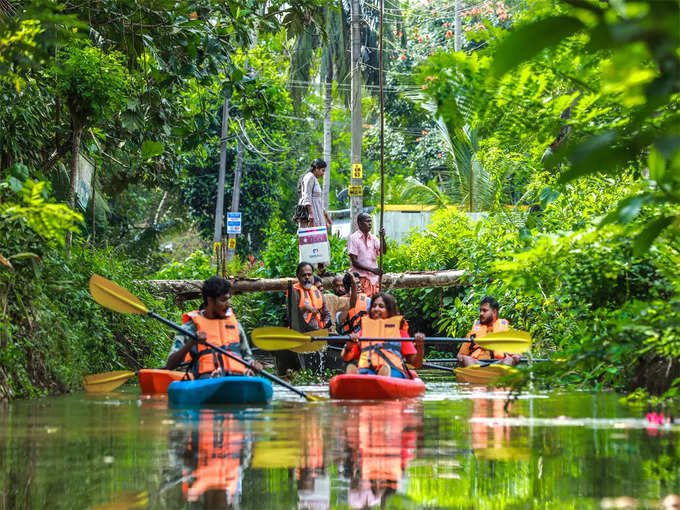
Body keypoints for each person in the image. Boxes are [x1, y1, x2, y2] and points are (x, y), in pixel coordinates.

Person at [166, 276, 263, 378]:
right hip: (206, 381)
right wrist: (191, 342)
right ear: (210, 300)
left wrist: (253, 365)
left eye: (228, 299)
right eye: (223, 300)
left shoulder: (236, 326)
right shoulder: (190, 328)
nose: (227, 305)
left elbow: (248, 358)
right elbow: (170, 365)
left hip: (237, 379)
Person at [341, 293, 424, 378]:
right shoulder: (363, 332)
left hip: (393, 370)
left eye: (381, 306)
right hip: (367, 370)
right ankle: (357, 378)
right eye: (374, 306)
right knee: (362, 372)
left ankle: (381, 377)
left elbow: (416, 364)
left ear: (389, 310)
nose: (376, 309)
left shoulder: (400, 333)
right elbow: (346, 358)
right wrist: (349, 346)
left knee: (388, 373)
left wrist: (420, 346)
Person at [457, 296, 521, 367]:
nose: (481, 313)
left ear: (494, 312)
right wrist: (461, 357)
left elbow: (517, 353)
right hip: (477, 364)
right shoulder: (472, 333)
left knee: (509, 360)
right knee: (467, 359)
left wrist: (516, 355)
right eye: (480, 310)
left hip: (499, 364)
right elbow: (461, 355)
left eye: (485, 310)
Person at [347, 212, 387, 297]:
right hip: (360, 279)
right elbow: (354, 262)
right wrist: (372, 269)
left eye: (370, 221)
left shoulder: (373, 238)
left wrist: (382, 237)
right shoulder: (353, 238)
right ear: (360, 223)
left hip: (373, 280)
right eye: (367, 221)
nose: (370, 224)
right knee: (362, 305)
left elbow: (383, 251)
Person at [289, 261, 331, 332]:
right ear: (298, 276)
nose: (307, 277)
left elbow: (326, 313)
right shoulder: (294, 292)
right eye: (304, 275)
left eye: (309, 275)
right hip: (300, 333)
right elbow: (291, 317)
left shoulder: (317, 291)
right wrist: (304, 308)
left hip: (318, 332)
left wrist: (326, 324)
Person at [296, 158, 332, 231]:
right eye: (322, 170)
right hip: (311, 212)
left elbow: (318, 200)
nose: (323, 173)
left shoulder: (314, 179)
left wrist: (326, 216)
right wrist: (310, 214)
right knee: (312, 236)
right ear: (316, 169)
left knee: (317, 236)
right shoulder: (310, 177)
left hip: (317, 210)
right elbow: (306, 195)